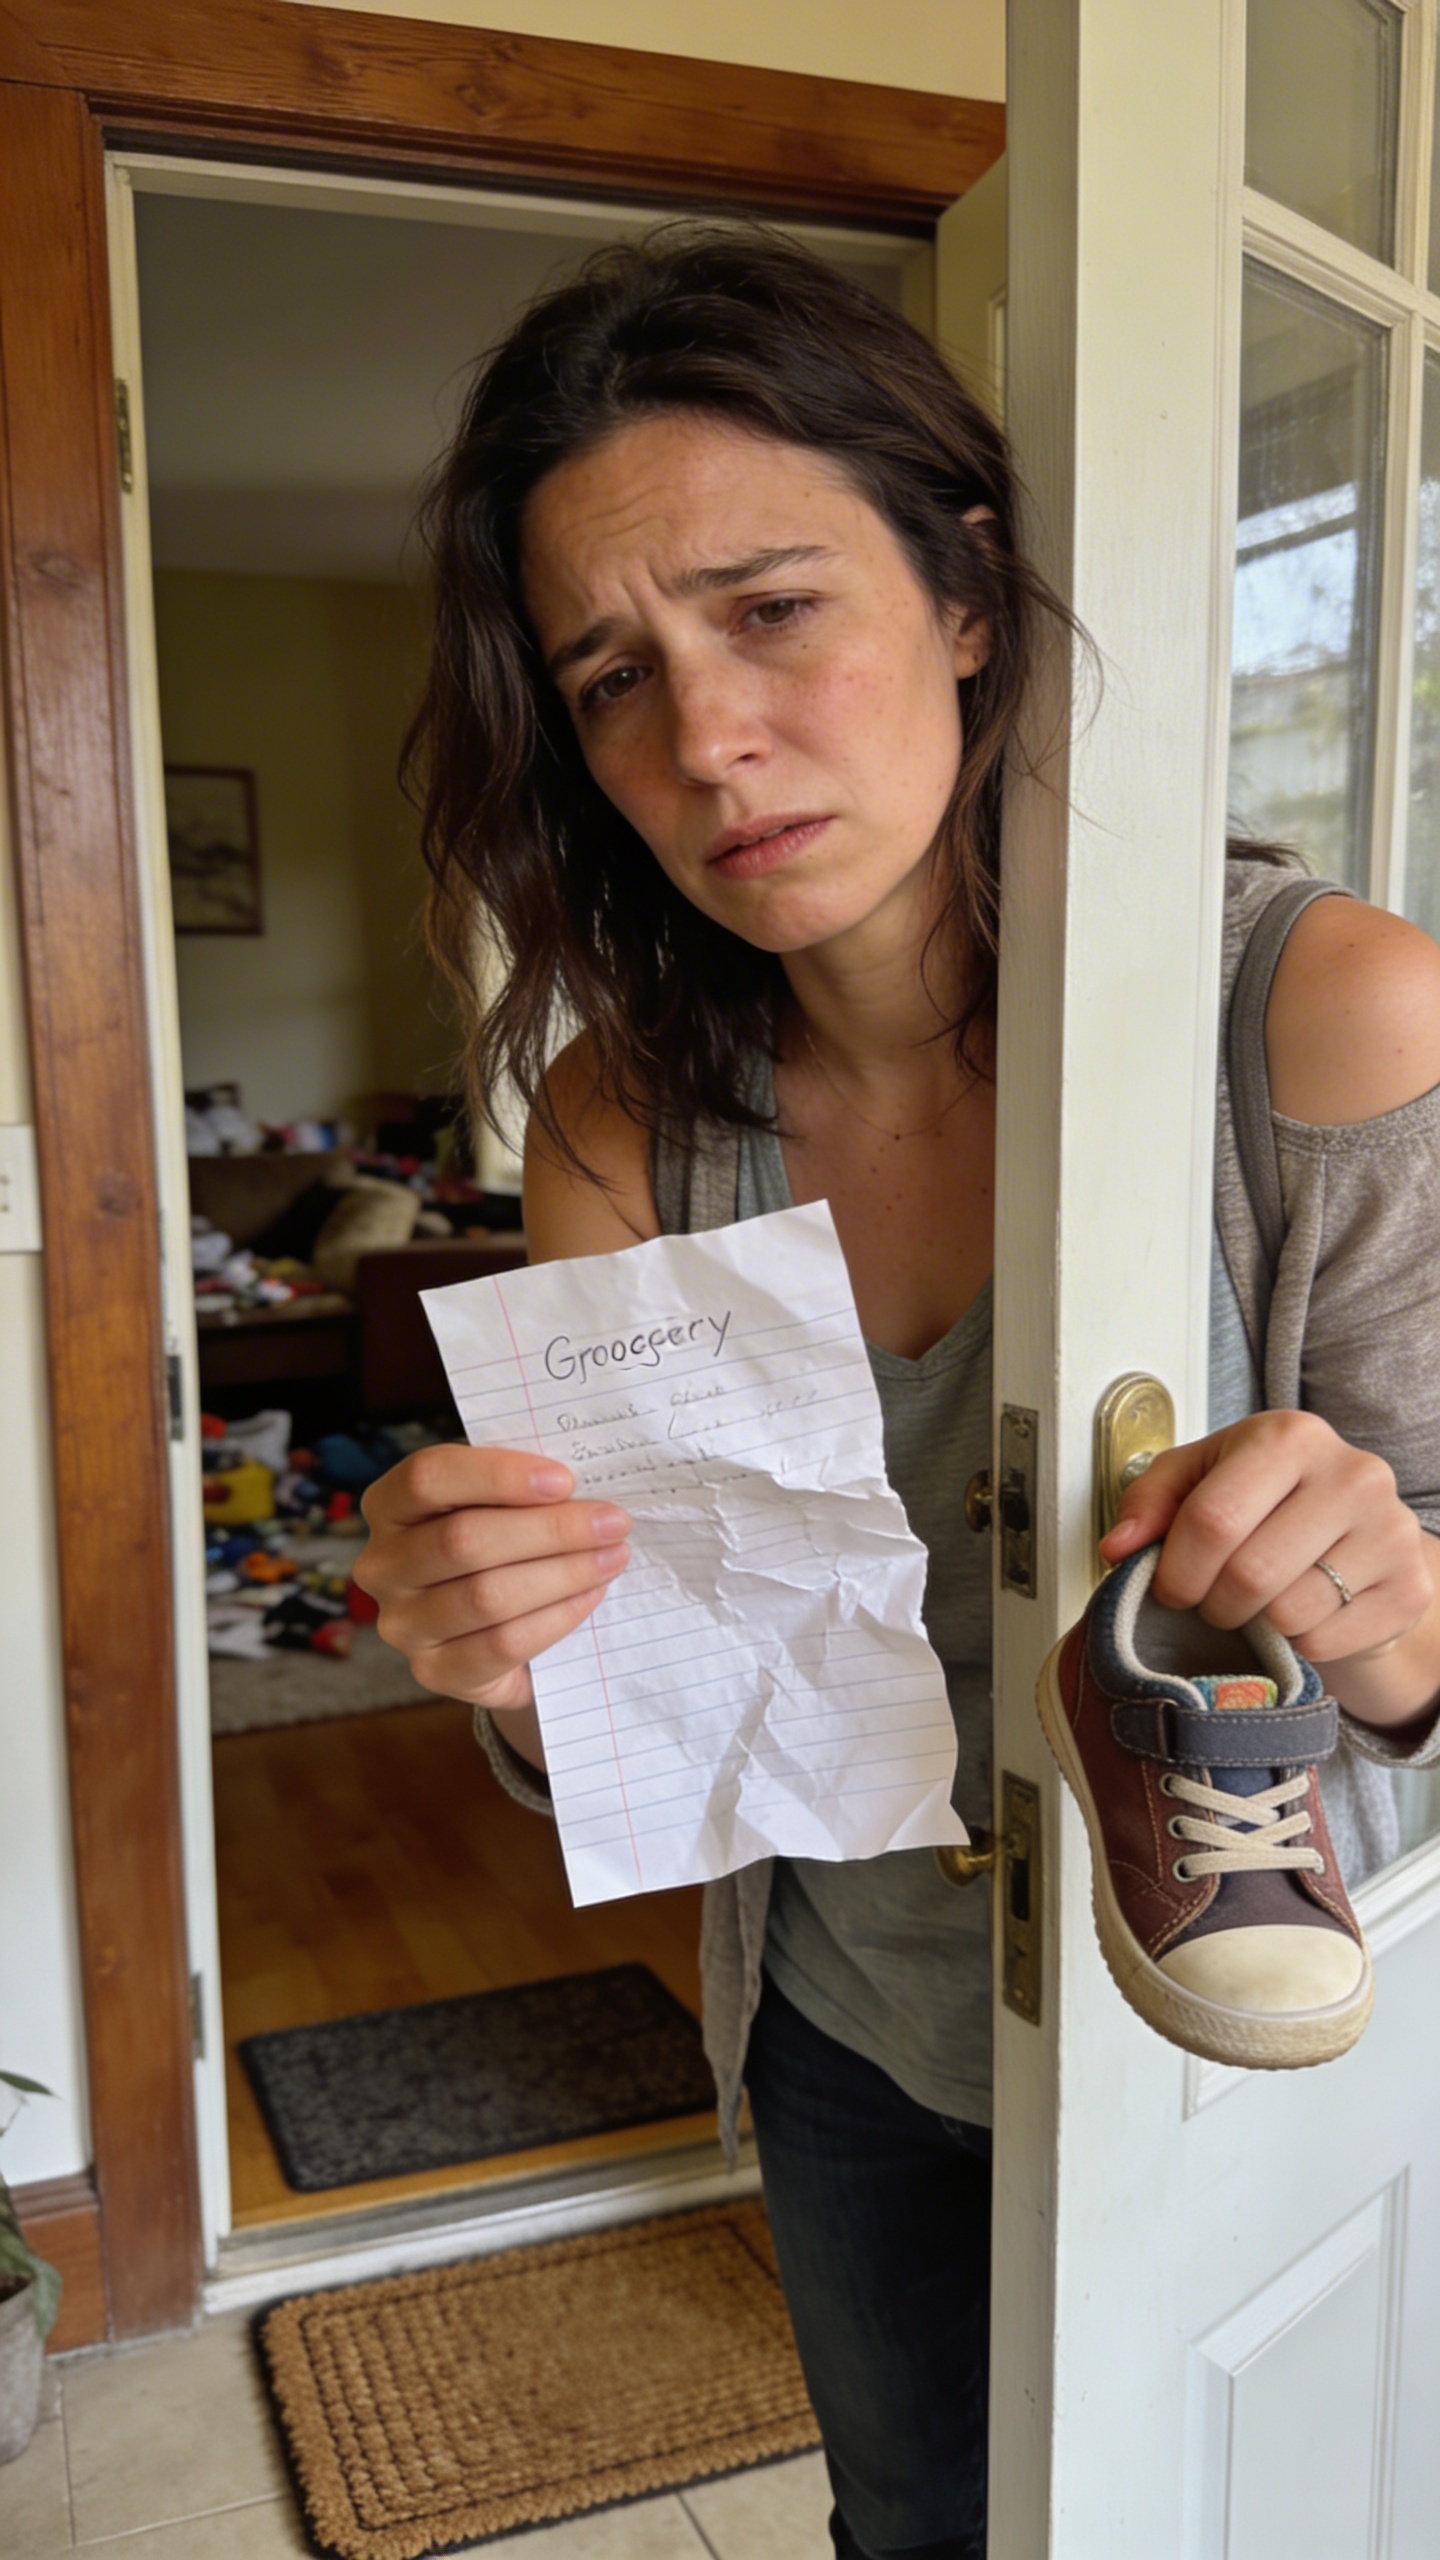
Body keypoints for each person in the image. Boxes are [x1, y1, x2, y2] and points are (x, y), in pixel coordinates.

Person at [354, 226, 1440, 2560]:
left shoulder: (1321, 1021)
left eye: (771, 610)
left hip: (1275, 2029)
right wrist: (512, 1660)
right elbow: (627, 1709)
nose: (705, 738)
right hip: (853, 2037)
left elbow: (1437, 1623)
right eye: (612, 673)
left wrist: (1385, 1595)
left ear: (964, 596)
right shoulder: (631, 1127)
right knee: (914, 2527)